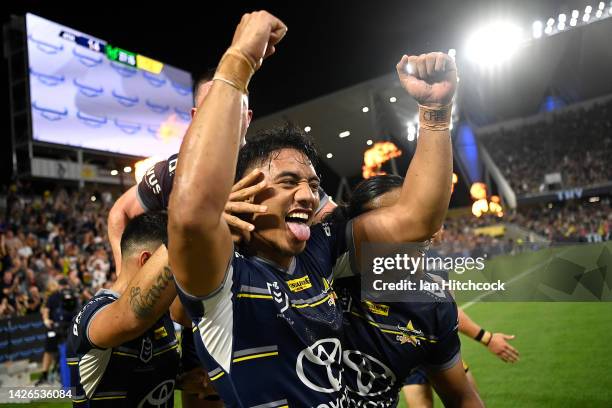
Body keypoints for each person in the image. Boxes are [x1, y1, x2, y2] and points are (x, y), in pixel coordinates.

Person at [169, 10, 459, 406]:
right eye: (288, 182)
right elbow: (190, 214)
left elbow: (418, 219)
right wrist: (239, 60)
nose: (307, 196)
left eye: (313, 184)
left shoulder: (321, 249)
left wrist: (436, 115)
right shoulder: (221, 277)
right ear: (248, 194)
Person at [328, 175, 483, 407]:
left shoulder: (433, 301)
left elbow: (461, 398)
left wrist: (485, 337)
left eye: (407, 220)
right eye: (383, 224)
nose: (398, 234)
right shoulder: (323, 269)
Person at [67, 212, 207, 406]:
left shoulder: (160, 316)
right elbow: (130, 316)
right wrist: (196, 223)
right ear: (146, 261)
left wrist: (181, 381)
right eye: (179, 265)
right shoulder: (94, 316)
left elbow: (136, 379)